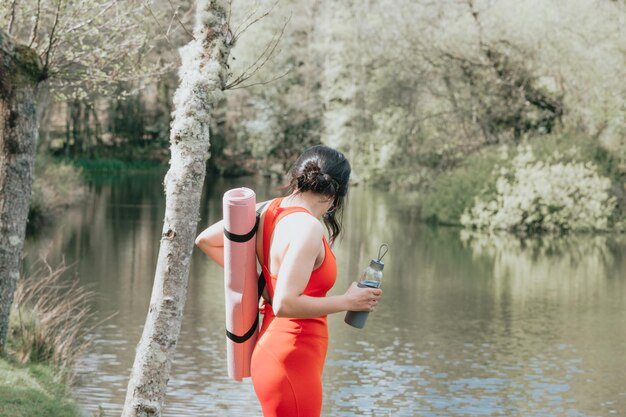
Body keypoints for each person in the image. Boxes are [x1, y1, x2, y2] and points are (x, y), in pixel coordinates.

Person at [195, 145, 382, 417]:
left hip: (282, 353)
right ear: (336, 194)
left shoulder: (267, 209)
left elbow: (207, 241)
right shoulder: (308, 227)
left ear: (299, 176)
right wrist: (347, 301)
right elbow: (285, 303)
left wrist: (262, 285)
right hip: (291, 356)